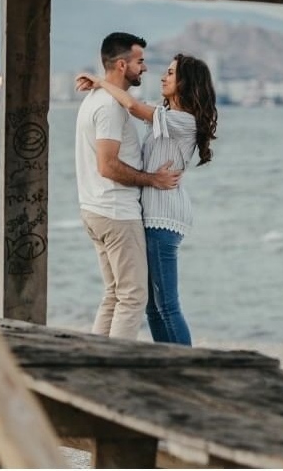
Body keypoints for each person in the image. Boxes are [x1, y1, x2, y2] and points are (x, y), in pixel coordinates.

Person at [76, 53, 218, 346]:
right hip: (152, 215)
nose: (164, 77)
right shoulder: (168, 118)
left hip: (163, 218)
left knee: (166, 303)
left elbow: (131, 105)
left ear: (185, 83)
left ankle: (185, 369)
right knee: (153, 305)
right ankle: (165, 361)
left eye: (170, 73)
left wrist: (101, 82)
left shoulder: (182, 121)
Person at [75, 32, 181, 341]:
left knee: (114, 295)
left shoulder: (98, 99)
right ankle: (115, 368)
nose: (145, 68)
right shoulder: (108, 106)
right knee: (133, 297)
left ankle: (95, 361)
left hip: (96, 208)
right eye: (140, 61)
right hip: (116, 212)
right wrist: (153, 180)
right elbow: (107, 165)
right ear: (122, 65)